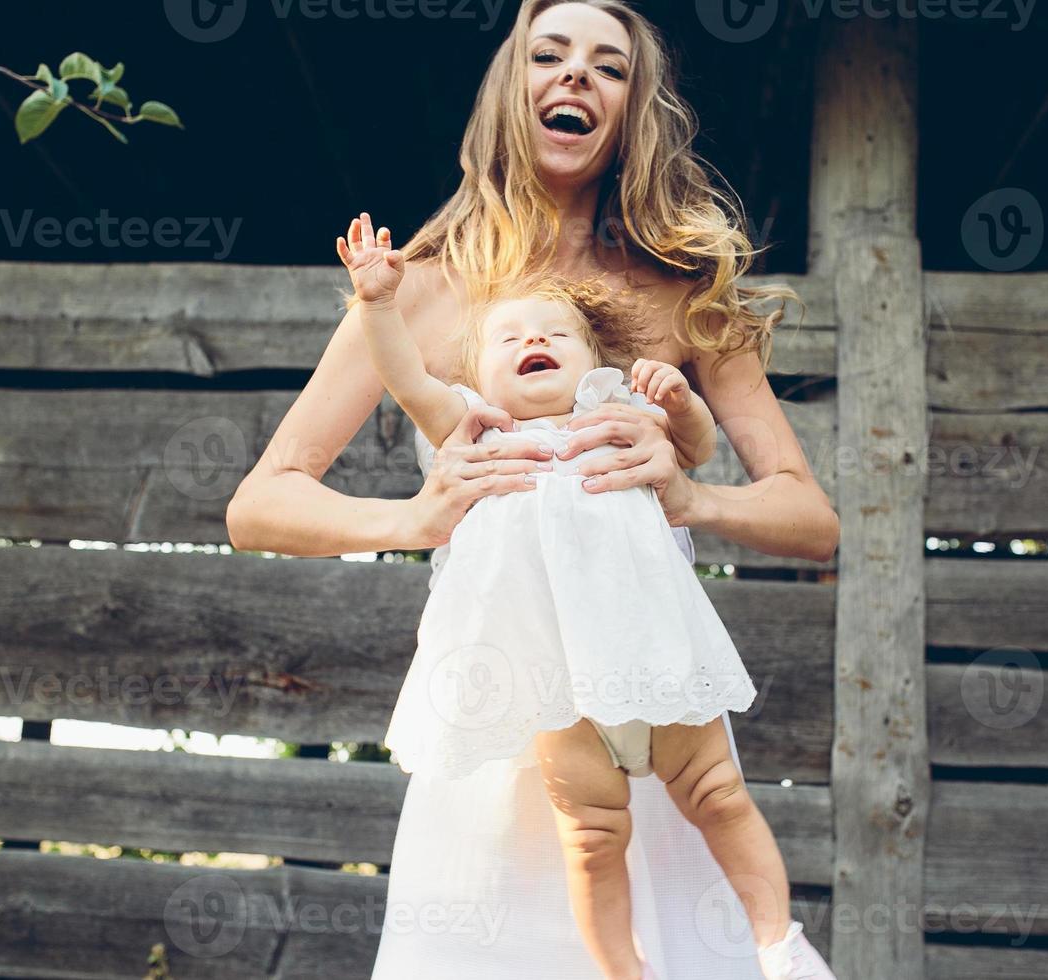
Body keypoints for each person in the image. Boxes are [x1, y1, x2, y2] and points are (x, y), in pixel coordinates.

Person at [226, 1, 840, 976]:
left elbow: (811, 516)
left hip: (652, 714)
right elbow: (261, 502)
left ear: (633, 105)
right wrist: (415, 516)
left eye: (607, 66)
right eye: (547, 56)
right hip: (499, 718)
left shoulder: (682, 290)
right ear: (511, 88)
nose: (574, 78)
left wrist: (693, 497)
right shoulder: (420, 288)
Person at [337, 211, 809, 979]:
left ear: (596, 361)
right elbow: (406, 376)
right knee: (591, 840)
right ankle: (624, 972)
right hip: (557, 688)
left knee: (719, 797)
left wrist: (680, 401)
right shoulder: (476, 428)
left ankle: (773, 940)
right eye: (510, 337)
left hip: (653, 664)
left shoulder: (615, 413)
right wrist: (380, 304)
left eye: (555, 334)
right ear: (479, 375)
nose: (534, 342)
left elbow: (696, 449)